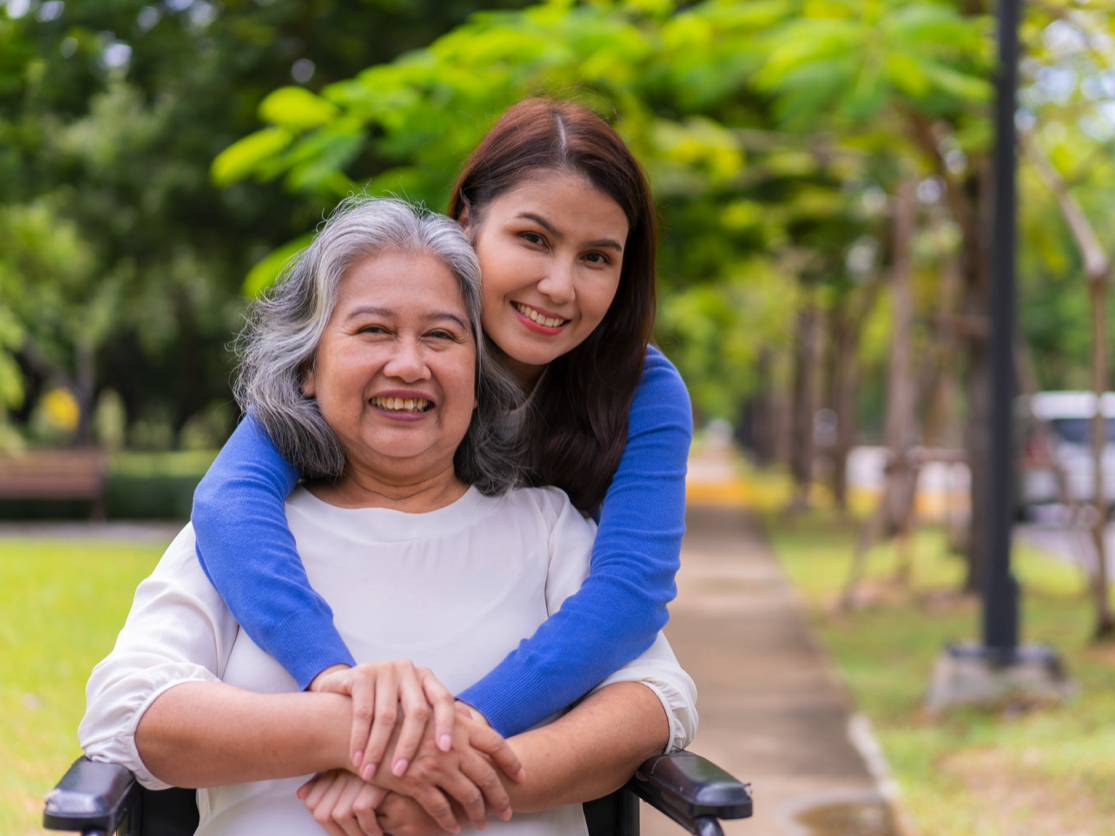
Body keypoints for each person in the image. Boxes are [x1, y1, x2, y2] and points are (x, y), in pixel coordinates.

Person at [79, 198, 697, 836]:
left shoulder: (547, 527)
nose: (409, 364)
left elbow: (655, 701)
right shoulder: (244, 537)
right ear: (308, 369)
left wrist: (450, 786)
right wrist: (349, 728)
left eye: (441, 335)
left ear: (479, 375)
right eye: (373, 330)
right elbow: (128, 710)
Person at [189, 97, 693, 789]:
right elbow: (229, 500)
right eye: (534, 239)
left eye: (597, 257)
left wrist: (433, 742)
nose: (558, 285)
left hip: (513, 717)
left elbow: (629, 594)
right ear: (467, 225)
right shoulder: (386, 359)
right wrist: (332, 680)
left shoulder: (644, 391)